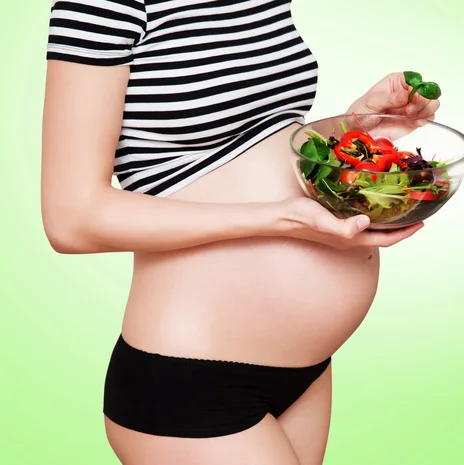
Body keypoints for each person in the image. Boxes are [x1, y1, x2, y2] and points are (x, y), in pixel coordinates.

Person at [41, 1, 439, 464]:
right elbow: (72, 219)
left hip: (305, 370)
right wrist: (280, 220)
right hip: (193, 377)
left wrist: (355, 128)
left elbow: (254, 134)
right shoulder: (106, 5)